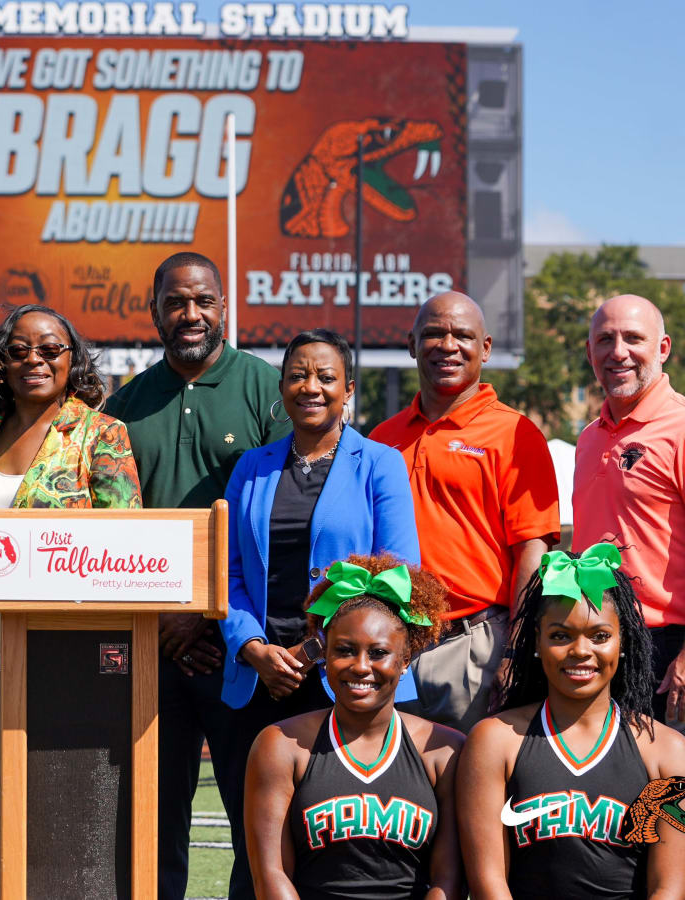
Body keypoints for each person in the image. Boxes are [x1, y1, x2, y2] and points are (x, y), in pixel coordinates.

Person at [103, 251, 289, 899]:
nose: (190, 314)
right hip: (152, 646)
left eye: (203, 301)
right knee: (151, 820)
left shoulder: (267, 389)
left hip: (237, 642)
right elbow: (110, 527)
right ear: (154, 310)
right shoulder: (124, 405)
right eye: (176, 302)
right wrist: (161, 617)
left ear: (224, 307)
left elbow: (277, 515)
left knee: (256, 819)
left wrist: (208, 612)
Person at [0, 303, 142, 900]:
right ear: (0, 363)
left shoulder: (100, 434)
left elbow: (126, 541)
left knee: (69, 824)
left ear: (73, 359)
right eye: (18, 349)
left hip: (71, 659)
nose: (34, 359)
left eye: (51, 348)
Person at [221, 329, 420, 860]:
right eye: (297, 375)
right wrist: (255, 649)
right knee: (258, 846)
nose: (311, 386)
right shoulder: (250, 468)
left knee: (340, 845)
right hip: (261, 678)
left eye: (326, 377)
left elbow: (397, 576)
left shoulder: (381, 463)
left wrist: (313, 654)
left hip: (348, 678)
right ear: (281, 388)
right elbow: (230, 575)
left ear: (348, 388)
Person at [370, 291, 560, 732]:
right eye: (434, 333)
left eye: (463, 335)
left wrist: (515, 649)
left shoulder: (516, 433)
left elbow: (532, 550)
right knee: (398, 795)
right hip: (391, 645)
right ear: (412, 344)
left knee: (473, 794)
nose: (448, 344)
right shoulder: (382, 437)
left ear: (486, 348)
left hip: (475, 645)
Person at [457, 544, 685, 898]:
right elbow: (489, 885)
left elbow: (668, 890)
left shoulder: (667, 752)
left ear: (623, 642)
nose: (581, 650)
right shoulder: (495, 741)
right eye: (561, 636)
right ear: (537, 642)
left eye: (600, 636)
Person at [243, 553, 462, 899]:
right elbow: (271, 877)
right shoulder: (280, 745)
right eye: (344, 650)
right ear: (324, 656)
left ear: (405, 660)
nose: (361, 667)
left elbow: (448, 882)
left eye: (378, 653)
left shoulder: (443, 751)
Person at [573, 294, 685, 728]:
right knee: (614, 792)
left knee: (665, 793)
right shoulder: (588, 438)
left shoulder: (679, 427)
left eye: (633, 338)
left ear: (663, 348)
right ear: (589, 353)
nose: (618, 352)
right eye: (605, 339)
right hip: (597, 640)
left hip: (666, 651)